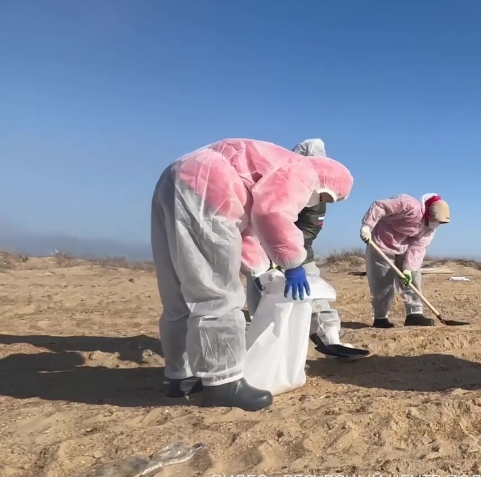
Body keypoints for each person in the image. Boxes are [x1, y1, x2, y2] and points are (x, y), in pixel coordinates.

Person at [151, 138, 353, 411]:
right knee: (217, 292)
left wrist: (261, 269)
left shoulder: (272, 163)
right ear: (327, 180)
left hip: (176, 177)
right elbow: (272, 213)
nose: (320, 202)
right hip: (210, 186)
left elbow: (244, 229)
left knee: (178, 289)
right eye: (327, 197)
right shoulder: (303, 171)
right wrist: (293, 263)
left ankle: (181, 375)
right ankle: (223, 383)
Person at [244, 139, 368, 360]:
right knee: (263, 290)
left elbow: (309, 228)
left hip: (297, 248)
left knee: (313, 287)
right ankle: (264, 344)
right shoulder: (273, 178)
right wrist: (271, 252)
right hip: (258, 246)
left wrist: (288, 254)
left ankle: (329, 337)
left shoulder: (320, 191)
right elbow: (260, 217)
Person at [359, 194, 450, 328]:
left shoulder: (429, 230)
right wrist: (367, 226)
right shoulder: (408, 204)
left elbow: (418, 248)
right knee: (383, 282)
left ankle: (415, 314)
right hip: (382, 243)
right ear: (429, 212)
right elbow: (380, 206)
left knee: (413, 277)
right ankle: (380, 317)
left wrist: (408, 269)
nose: (436, 225)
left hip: (405, 248)